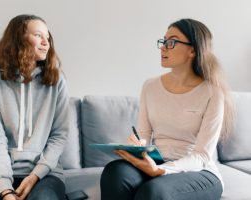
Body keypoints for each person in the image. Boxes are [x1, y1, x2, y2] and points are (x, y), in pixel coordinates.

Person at [100, 18, 234, 200]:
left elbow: (202, 155)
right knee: (114, 172)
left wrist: (162, 170)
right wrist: (138, 145)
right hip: (157, 161)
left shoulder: (213, 92)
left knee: (154, 191)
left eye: (171, 42)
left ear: (193, 50)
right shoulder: (150, 86)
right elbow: (144, 133)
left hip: (198, 170)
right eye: (163, 41)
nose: (163, 47)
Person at [0, 14, 69, 200]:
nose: (46, 43)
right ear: (19, 39)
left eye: (48, 37)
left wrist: (35, 176)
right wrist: (5, 189)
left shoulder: (57, 81)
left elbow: (59, 136)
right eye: (38, 35)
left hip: (45, 173)